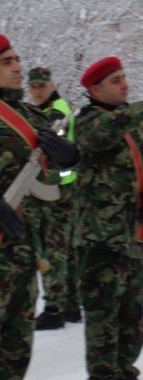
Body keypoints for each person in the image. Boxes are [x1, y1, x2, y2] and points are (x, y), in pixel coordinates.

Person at [75, 56, 143, 380]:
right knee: (104, 319)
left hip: (135, 241)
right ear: (94, 90)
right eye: (115, 80)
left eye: (124, 78)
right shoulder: (88, 124)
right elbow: (105, 132)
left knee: (132, 317)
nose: (124, 85)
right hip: (100, 243)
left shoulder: (141, 129)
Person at [0, 35, 79, 380]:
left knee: (16, 351)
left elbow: (49, 179)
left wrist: (67, 156)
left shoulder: (33, 118)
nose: (17, 67)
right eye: (6, 62)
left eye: (16, 58)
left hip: (22, 255)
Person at [27, 66, 82, 330]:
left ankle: (54, 307)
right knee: (66, 249)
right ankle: (71, 304)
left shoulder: (57, 109)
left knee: (52, 250)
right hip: (62, 187)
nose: (37, 91)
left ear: (51, 84)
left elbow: (48, 135)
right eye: (34, 86)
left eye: (41, 86)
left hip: (58, 189)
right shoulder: (52, 108)